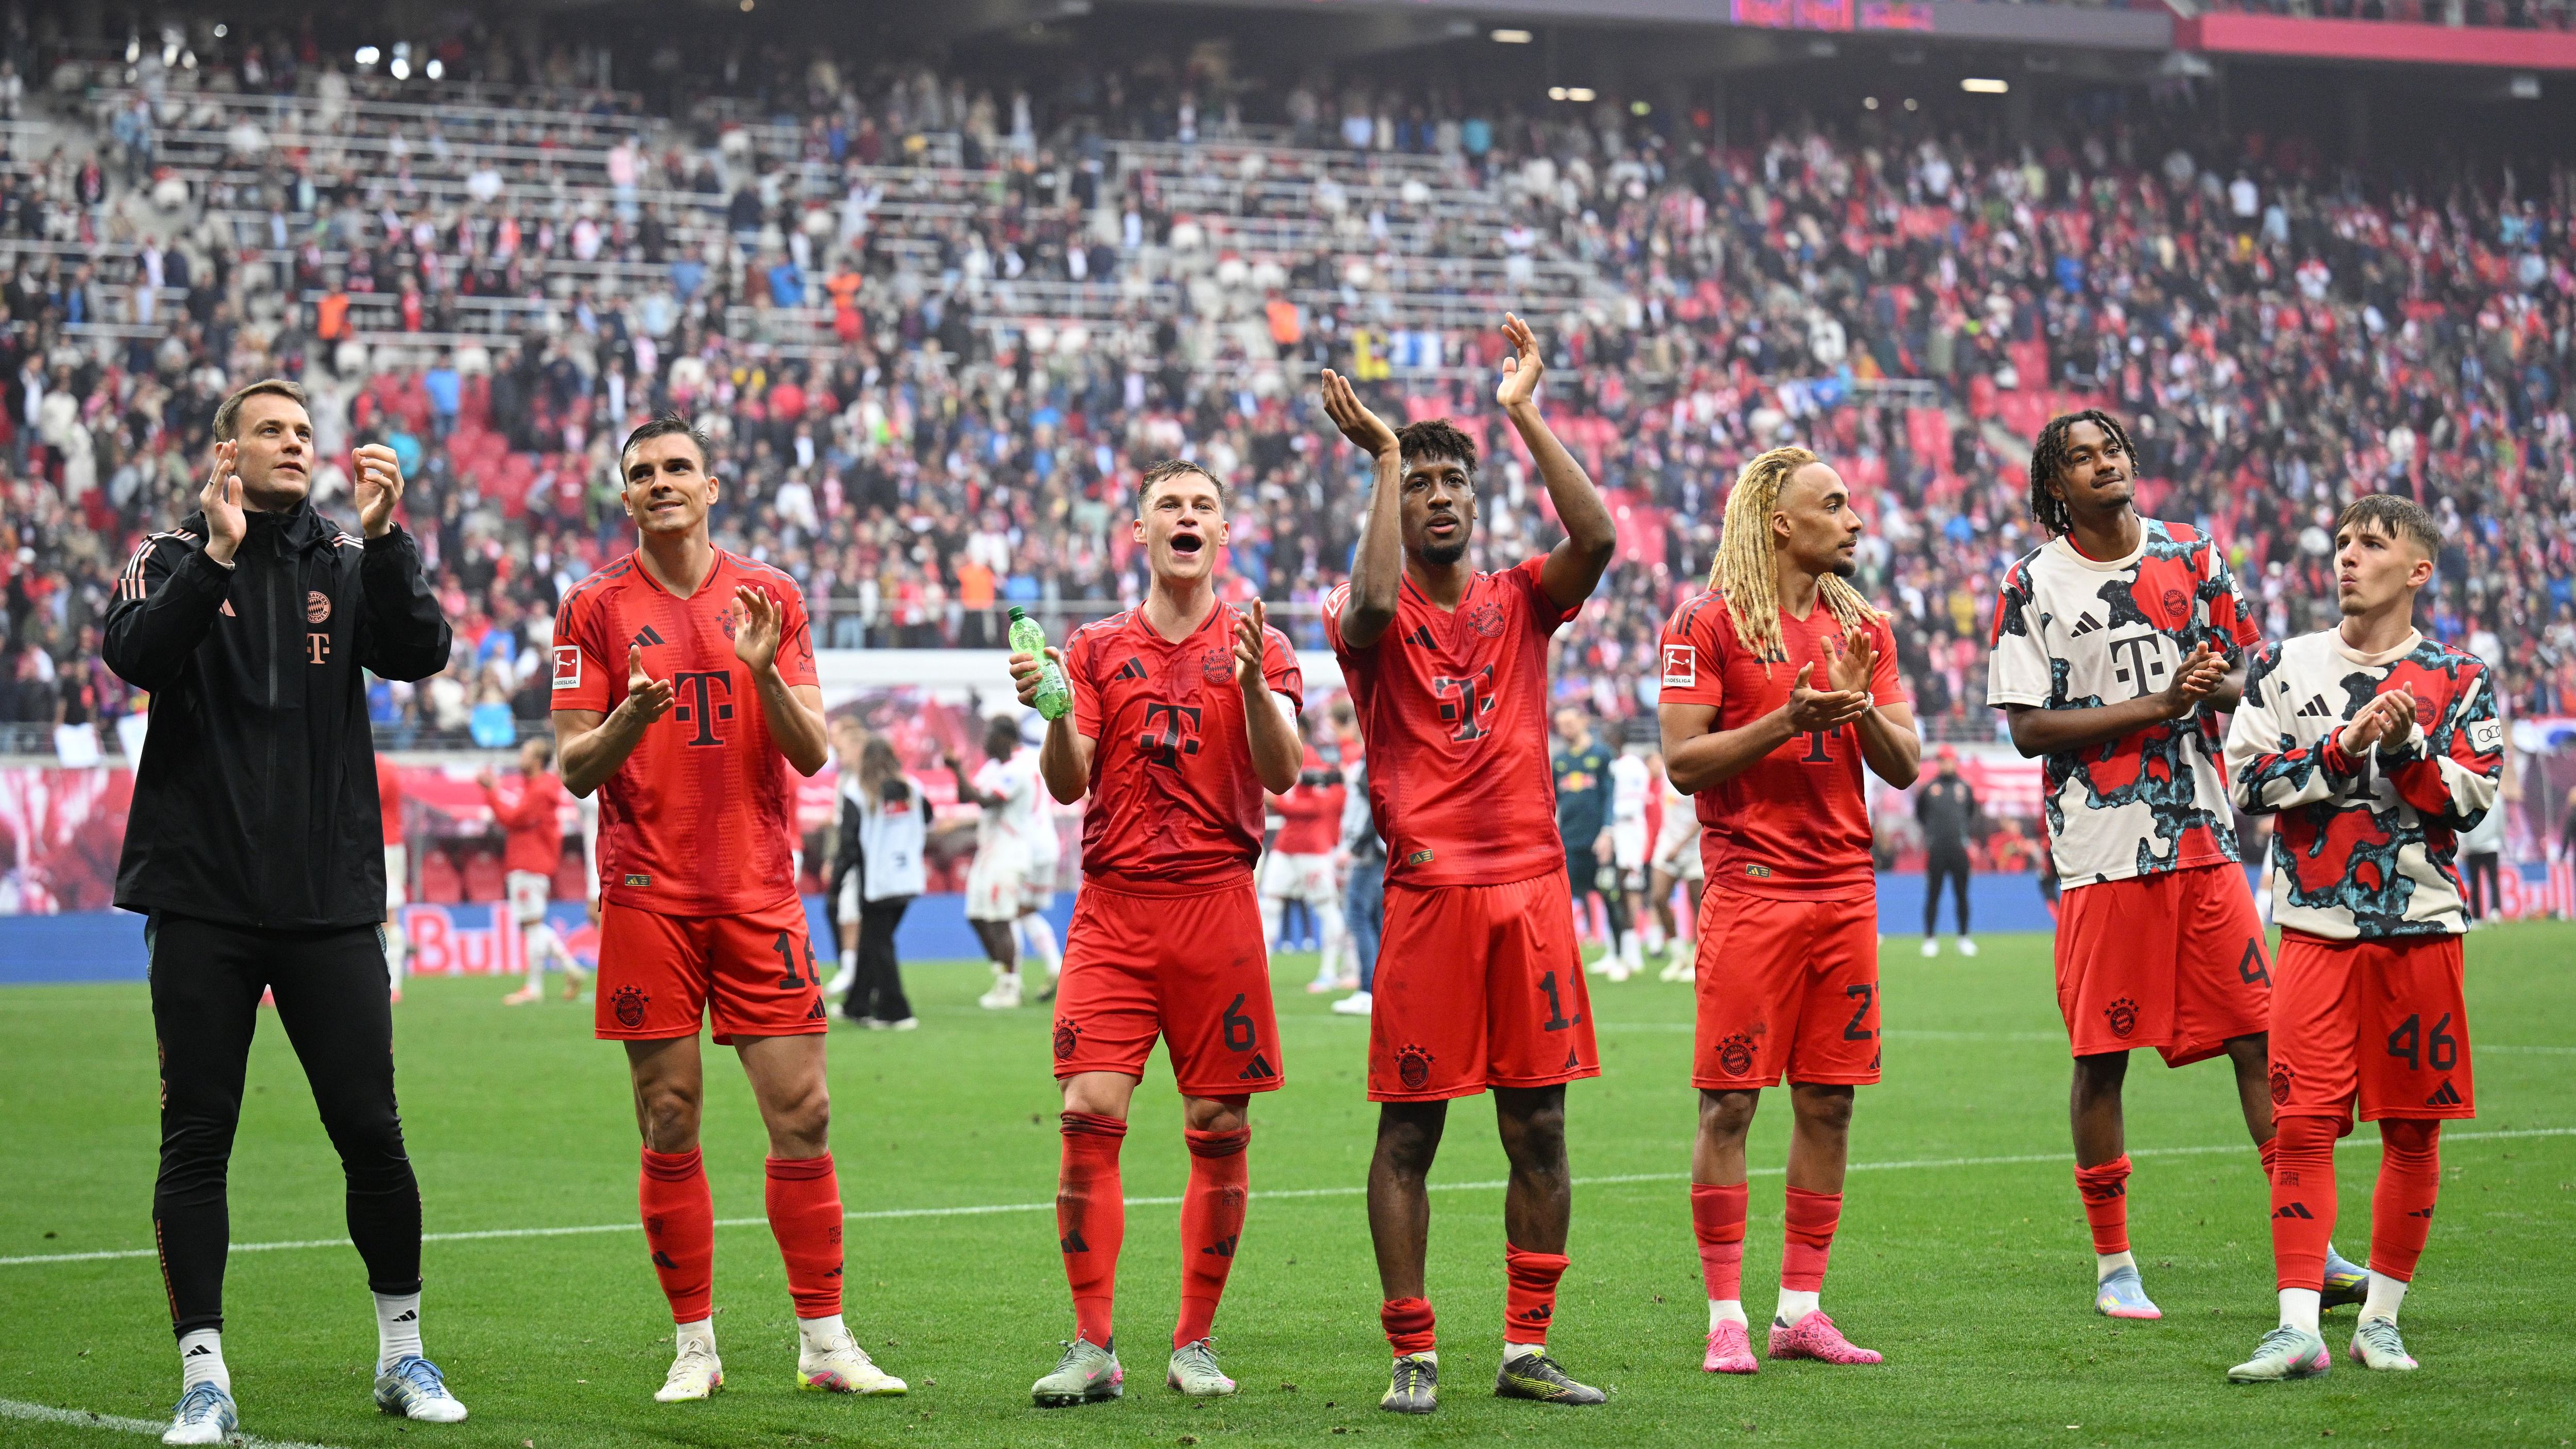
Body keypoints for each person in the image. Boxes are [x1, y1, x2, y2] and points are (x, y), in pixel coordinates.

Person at [101, 379, 463, 1443]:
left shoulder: (346, 561)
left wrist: (388, 539)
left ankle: (402, 1355)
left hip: (327, 901)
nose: (296, 443)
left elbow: (421, 651)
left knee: (372, 1132)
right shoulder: (168, 556)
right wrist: (216, 557)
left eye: (305, 431)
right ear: (226, 452)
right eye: (271, 430)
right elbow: (135, 657)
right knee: (197, 1138)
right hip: (201, 899)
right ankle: (204, 1378)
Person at [550, 414, 904, 1404]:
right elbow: (574, 766)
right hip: (648, 896)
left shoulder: (771, 595)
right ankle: (694, 1345)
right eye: (644, 473)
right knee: (668, 1116)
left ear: (712, 487)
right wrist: (629, 717)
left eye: (679, 468)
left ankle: (824, 1342)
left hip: (758, 891)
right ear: (627, 496)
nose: (662, 482)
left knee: (806, 1113)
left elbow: (813, 751)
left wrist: (759, 669)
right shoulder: (591, 606)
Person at [1987, 410, 2361, 1321]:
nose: (2103, 463)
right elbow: (2028, 727)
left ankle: (2309, 1245)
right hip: (2100, 851)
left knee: (2259, 1039)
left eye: (2111, 448)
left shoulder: (2193, 554)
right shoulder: (2031, 583)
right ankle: (2115, 1262)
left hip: (2203, 836)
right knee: (2101, 1057)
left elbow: (2254, 685)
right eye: (2081, 457)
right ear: (2055, 485)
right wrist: (2157, 703)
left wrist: (2205, 687)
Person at [1319, 312, 1619, 1414]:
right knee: (1411, 1129)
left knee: (1539, 1126)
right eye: (1420, 486)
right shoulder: (1366, 605)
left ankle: (1526, 1348)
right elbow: (1371, 607)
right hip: (1430, 895)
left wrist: (1522, 412)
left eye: (1454, 483)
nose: (1440, 497)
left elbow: (1599, 539)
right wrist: (1383, 458)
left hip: (1531, 890)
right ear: (1394, 506)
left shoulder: (1521, 598)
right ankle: (1413, 1351)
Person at [1008, 458, 1303, 1406]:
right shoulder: (1094, 647)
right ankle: (1092, 1345)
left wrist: (1252, 685)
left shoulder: (1263, 642)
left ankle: (1194, 1342)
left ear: (1223, 531)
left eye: (1202, 505)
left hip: (1217, 905)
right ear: (1139, 531)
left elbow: (1285, 771)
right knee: (1087, 1112)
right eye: (1169, 505)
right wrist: (1054, 710)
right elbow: (1068, 781)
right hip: (1114, 906)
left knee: (1219, 1123)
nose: (1186, 516)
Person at [2221, 494, 2501, 1382]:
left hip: (2421, 930)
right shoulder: (2282, 664)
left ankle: (2379, 1320)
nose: (2347, 555)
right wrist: (2343, 746)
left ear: (2418, 570)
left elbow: (2474, 799)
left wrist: (2410, 746)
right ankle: (2297, 1327)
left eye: (2371, 544)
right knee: (2302, 1123)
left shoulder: (2459, 676)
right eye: (2342, 541)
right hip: (2314, 930)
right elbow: (2246, 785)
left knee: (2413, 1131)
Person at [1658, 445, 1919, 1375]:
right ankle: (1725, 1315)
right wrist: (1788, 720)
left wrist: (1853, 705)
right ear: (1780, 521)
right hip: (1753, 891)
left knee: (1830, 1102)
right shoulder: (1706, 621)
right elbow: (1683, 762)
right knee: (1729, 1102)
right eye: (1834, 503)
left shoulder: (1864, 626)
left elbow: (1905, 763)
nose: (1854, 519)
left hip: (1844, 892)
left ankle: (1799, 1310)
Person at [948, 714, 1047, 1010]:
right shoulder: (995, 769)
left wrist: (958, 770)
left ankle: (1010, 986)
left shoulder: (1016, 770)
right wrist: (957, 772)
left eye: (989, 734)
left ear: (1004, 738)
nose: (985, 741)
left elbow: (985, 800)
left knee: (1002, 919)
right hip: (989, 852)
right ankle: (1004, 973)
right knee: (977, 916)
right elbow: (966, 796)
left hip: (1009, 852)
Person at [483, 736, 588, 1005]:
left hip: (529, 863)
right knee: (532, 925)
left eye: (526, 753)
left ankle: (536, 986)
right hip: (532, 862)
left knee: (532, 926)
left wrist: (491, 792)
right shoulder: (538, 787)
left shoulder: (540, 790)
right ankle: (570, 969)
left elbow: (512, 818)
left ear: (538, 760)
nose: (521, 758)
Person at [1264, 714, 1350, 993]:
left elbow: (1321, 807)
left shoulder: (1314, 758)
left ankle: (1329, 973)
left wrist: (1277, 803)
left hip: (1313, 849)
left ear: (1299, 730)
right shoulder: (1283, 755)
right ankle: (1262, 974)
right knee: (1268, 908)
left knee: (1326, 908)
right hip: (1286, 846)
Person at [845, 736, 925, 1028]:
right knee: (872, 941)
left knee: (879, 945)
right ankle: (857, 1004)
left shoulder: (858, 791)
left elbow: (849, 841)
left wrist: (838, 881)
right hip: (908, 878)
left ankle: (896, 1011)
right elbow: (929, 820)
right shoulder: (912, 788)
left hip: (878, 880)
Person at [1551, 705, 1632, 982]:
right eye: (1561, 725)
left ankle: (1620, 957)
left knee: (1611, 896)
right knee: (1565, 902)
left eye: (1570, 723)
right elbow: (1553, 804)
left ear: (1583, 721)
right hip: (1570, 843)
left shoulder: (1600, 755)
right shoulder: (1559, 761)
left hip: (1599, 843)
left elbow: (1610, 796)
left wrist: (1607, 832)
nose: (1565, 729)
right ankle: (1564, 962)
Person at [1915, 745, 1978, 957]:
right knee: (1933, 894)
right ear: (1939, 763)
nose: (1947, 764)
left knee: (1962, 895)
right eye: (1943, 760)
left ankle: (1964, 938)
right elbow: (1920, 815)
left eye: (1950, 760)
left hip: (1959, 849)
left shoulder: (1964, 787)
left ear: (1955, 762)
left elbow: (1970, 814)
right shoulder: (1929, 788)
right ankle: (1930, 939)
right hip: (1936, 850)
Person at [1646, 754, 1704, 982]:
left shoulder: (1698, 778)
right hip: (1667, 844)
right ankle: (1679, 955)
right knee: (1659, 898)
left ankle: (1698, 960)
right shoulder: (1664, 775)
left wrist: (1680, 846)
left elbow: (1701, 816)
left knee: (1697, 904)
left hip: (1693, 848)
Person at [1605, 719, 1652, 975]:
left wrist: (1612, 817)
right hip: (1619, 831)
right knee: (1619, 890)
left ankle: (1633, 955)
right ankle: (1624, 952)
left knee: (1630, 889)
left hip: (1630, 830)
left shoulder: (1631, 765)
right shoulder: (1617, 764)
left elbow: (1634, 802)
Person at [378, 754, 411, 1000]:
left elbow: (363, 799)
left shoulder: (381, 767)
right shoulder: (383, 765)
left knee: (388, 916)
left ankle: (394, 984)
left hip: (385, 848)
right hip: (380, 846)